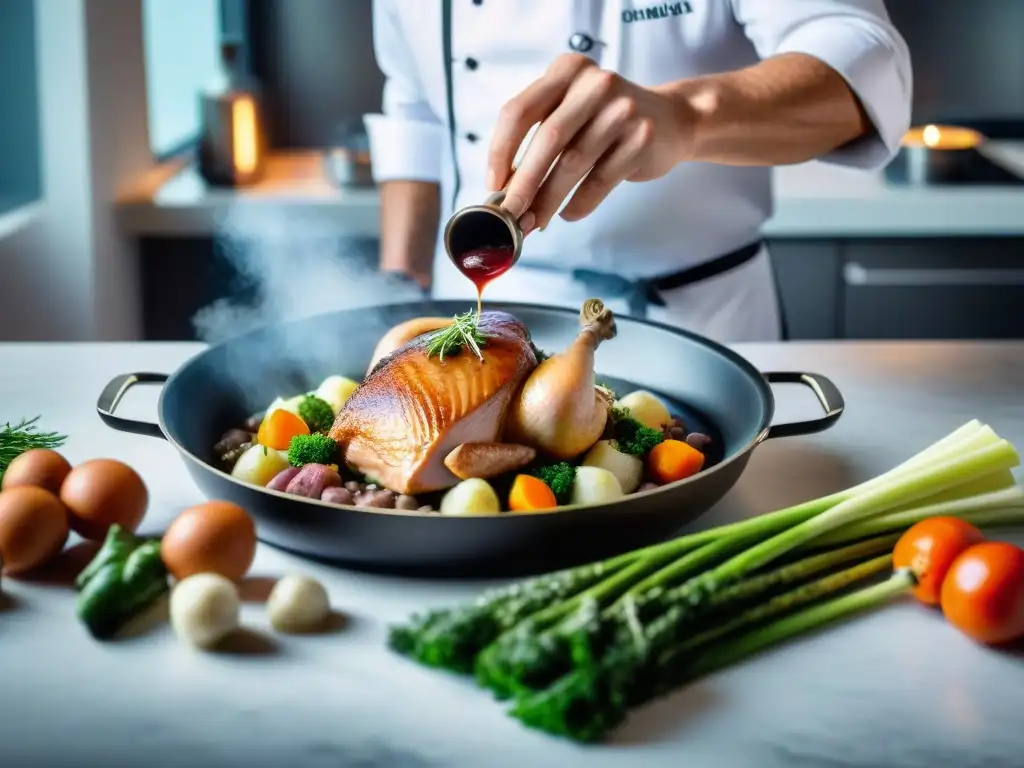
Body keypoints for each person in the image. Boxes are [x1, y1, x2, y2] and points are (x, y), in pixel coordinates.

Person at [364, 0, 912, 343]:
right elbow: (414, 112)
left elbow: (864, 63)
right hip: (495, 307)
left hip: (704, 320)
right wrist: (398, 291)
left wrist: (688, 116)